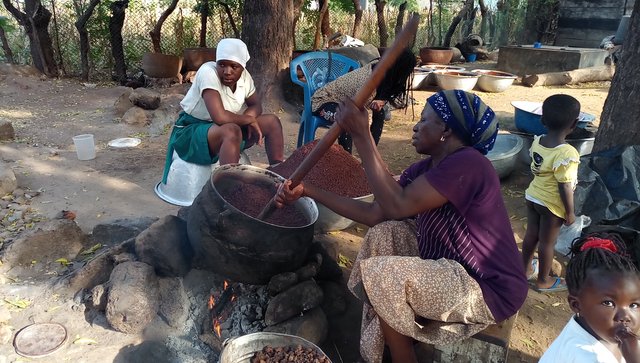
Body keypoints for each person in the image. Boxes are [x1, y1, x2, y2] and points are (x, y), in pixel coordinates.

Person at [276, 90, 528, 362]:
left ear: (445, 128)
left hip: (485, 287)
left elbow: (397, 205)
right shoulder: (426, 169)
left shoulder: (470, 164)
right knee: (384, 234)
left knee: (385, 275)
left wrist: (362, 134)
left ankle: (403, 357)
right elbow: (376, 213)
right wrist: (307, 190)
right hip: (449, 264)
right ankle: (378, 349)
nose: (415, 126)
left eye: (424, 119)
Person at [162, 38, 284, 184]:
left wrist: (249, 117)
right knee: (231, 130)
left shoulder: (245, 77)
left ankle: (279, 174)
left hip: (224, 128)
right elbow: (219, 117)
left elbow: (256, 105)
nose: (227, 71)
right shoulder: (208, 72)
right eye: (222, 65)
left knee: (272, 122)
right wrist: (248, 120)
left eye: (234, 66)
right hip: (192, 132)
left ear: (242, 67)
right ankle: (228, 189)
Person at [540, 232, 640, 362]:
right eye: (608, 303)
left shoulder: (593, 328)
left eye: (633, 305)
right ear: (576, 305)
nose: (624, 317)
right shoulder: (587, 357)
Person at [522, 94, 581, 292]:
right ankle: (543, 281)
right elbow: (564, 185)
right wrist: (570, 212)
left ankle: (524, 269)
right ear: (575, 123)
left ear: (542, 120)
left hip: (533, 196)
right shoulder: (567, 153)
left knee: (531, 234)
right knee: (548, 242)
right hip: (551, 205)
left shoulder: (538, 141)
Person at [310, 48, 416, 153]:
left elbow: (386, 94)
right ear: (398, 70)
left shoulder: (383, 73)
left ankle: (370, 155)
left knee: (380, 113)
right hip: (324, 101)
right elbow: (354, 109)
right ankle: (347, 161)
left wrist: (381, 102)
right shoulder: (369, 80)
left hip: (345, 104)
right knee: (347, 119)